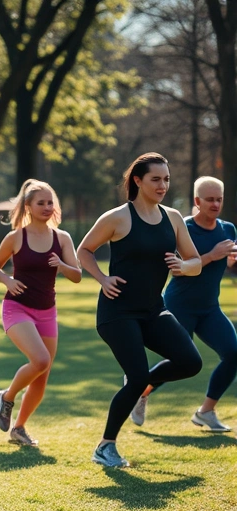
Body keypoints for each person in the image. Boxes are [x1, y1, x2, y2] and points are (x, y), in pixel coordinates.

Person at [77, 152, 203, 468]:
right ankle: (105, 447)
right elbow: (84, 250)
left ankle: (143, 388)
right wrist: (102, 278)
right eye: (155, 179)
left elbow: (196, 262)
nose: (163, 186)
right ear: (138, 180)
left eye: (166, 179)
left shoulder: (173, 218)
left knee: (191, 362)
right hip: (117, 312)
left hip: (153, 310)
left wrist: (183, 266)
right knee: (135, 377)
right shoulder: (117, 217)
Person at [130, 176, 237, 432]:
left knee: (233, 354)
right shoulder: (181, 227)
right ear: (197, 201)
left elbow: (227, 264)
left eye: (219, 199)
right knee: (182, 361)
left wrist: (231, 261)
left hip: (209, 308)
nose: (215, 204)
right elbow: (177, 269)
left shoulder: (228, 230)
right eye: (209, 199)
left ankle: (206, 412)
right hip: (179, 306)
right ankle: (139, 387)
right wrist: (212, 255)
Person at [0, 180, 82, 446]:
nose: (47, 207)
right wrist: (7, 281)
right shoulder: (16, 237)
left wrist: (61, 264)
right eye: (41, 203)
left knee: (41, 378)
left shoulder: (62, 238)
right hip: (16, 308)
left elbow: (77, 276)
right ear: (28, 206)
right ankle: (7, 396)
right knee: (40, 360)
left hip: (47, 312)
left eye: (50, 202)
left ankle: (19, 429)